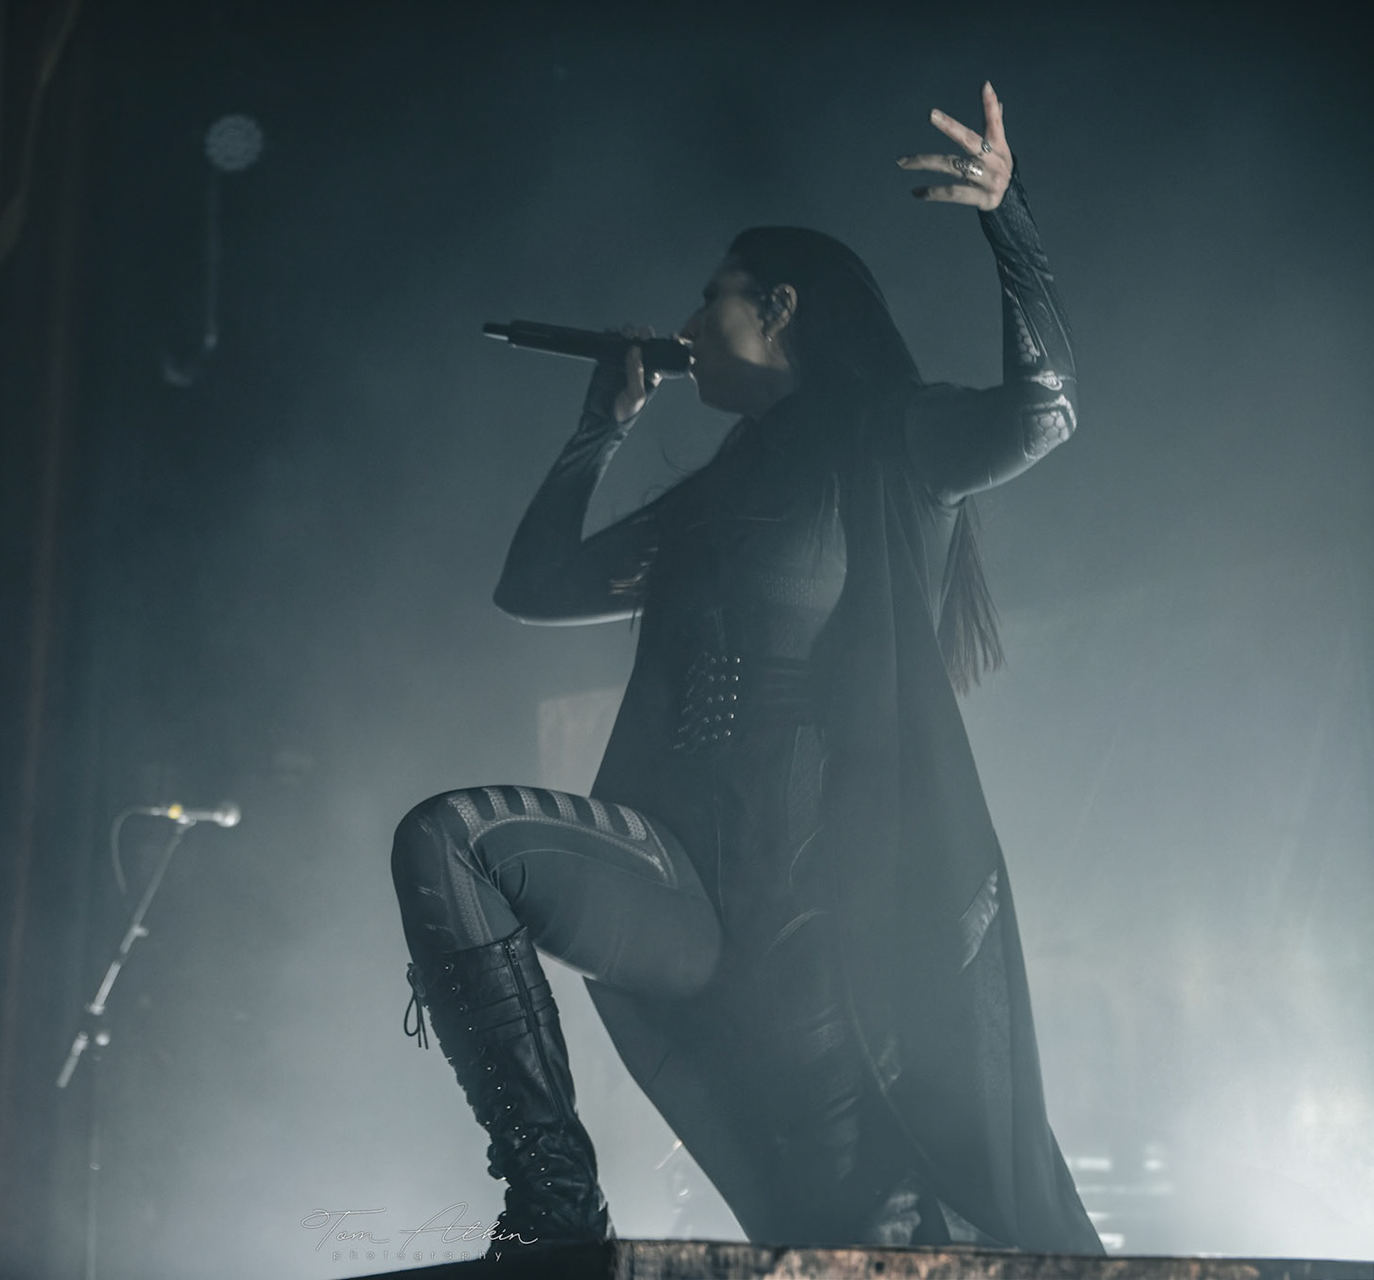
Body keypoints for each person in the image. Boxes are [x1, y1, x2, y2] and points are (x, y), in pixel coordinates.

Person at [391, 82, 1102, 1258]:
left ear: (777, 307)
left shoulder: (887, 437)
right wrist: (601, 423)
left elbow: (1048, 410)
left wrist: (1005, 215)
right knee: (450, 843)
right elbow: (535, 583)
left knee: (863, 1227)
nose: (685, 317)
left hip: (819, 898)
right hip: (677, 879)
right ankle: (555, 1198)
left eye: (708, 293)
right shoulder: (708, 501)